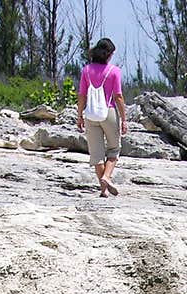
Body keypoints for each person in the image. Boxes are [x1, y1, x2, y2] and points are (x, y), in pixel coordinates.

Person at [77, 38, 127, 197]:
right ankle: (107, 177)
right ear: (109, 54)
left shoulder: (86, 70)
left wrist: (79, 116)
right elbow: (118, 96)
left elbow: (82, 95)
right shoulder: (114, 71)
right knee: (114, 149)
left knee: (97, 155)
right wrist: (124, 119)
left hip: (91, 114)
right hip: (109, 112)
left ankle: (103, 190)